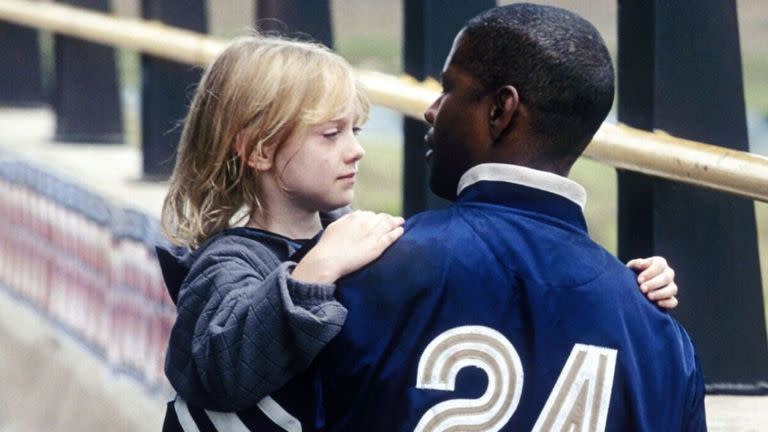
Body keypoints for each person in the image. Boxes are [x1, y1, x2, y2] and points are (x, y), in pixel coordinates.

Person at [158, 28, 685, 431]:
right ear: (260, 149)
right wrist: (311, 274)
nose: (356, 149)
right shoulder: (228, 261)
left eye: (356, 130)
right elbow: (215, 371)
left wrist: (632, 281)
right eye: (330, 133)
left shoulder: (366, 244)